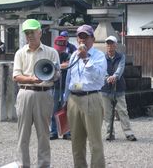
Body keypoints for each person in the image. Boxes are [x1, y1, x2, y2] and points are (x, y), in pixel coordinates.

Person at [11, 19, 60, 167]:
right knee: (23, 134)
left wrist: (50, 74)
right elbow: (15, 76)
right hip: (25, 92)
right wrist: (31, 79)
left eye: (32, 32)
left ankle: (44, 165)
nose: (30, 35)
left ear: (40, 32)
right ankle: (23, 164)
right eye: (27, 33)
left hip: (44, 93)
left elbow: (57, 74)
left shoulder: (51, 52)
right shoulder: (20, 53)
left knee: (43, 133)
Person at [62, 24, 107, 167]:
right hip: (74, 99)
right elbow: (69, 77)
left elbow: (99, 78)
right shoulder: (74, 54)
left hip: (91, 97)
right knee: (76, 141)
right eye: (79, 37)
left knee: (95, 141)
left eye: (85, 37)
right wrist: (65, 99)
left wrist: (86, 59)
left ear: (92, 39)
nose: (82, 40)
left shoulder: (99, 56)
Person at [101, 35, 137, 141]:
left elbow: (120, 68)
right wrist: (107, 77)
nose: (110, 46)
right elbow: (102, 69)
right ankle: (109, 133)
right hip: (105, 88)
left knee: (123, 111)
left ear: (116, 45)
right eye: (108, 43)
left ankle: (128, 132)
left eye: (112, 43)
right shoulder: (102, 57)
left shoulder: (121, 56)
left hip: (119, 87)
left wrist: (115, 76)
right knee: (107, 113)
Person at [50, 36, 71, 140]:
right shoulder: (51, 55)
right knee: (53, 110)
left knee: (65, 109)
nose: (59, 49)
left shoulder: (67, 55)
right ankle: (53, 131)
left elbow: (68, 64)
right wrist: (61, 65)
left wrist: (57, 66)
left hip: (64, 87)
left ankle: (66, 131)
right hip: (53, 86)